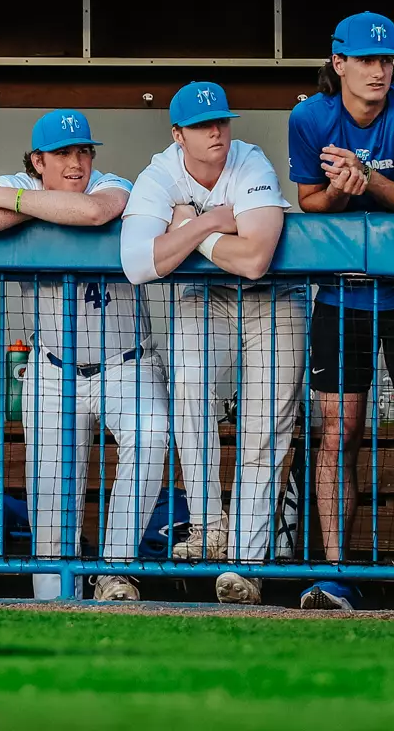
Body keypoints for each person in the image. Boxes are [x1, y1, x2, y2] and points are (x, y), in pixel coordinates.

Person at [0, 109, 160, 603]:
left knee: (151, 436)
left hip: (125, 362)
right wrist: (42, 204)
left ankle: (115, 573)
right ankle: (53, 603)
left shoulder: (112, 182)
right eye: (64, 154)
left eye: (83, 152)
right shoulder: (15, 182)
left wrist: (20, 203)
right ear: (37, 161)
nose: (77, 163)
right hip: (53, 370)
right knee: (50, 499)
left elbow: (97, 211)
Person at [285, 11, 394, 611]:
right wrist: (341, 190)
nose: (380, 70)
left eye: (387, 60)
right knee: (339, 432)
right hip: (340, 294)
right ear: (340, 63)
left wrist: (369, 182)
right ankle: (334, 572)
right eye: (367, 60)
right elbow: (309, 202)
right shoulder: (309, 116)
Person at [120, 81, 302, 606]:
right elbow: (137, 265)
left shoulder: (249, 162)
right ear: (178, 134)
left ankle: (246, 564)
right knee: (190, 394)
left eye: (221, 121)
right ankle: (207, 526)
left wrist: (193, 230)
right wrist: (216, 223)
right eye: (202, 125)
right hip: (205, 296)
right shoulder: (159, 173)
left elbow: (255, 260)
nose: (216, 132)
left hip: (273, 297)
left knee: (265, 424)